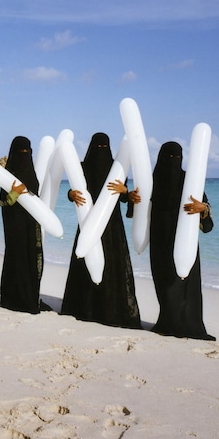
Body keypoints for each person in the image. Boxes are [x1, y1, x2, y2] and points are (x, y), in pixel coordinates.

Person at [60, 133, 142, 328]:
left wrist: (125, 192)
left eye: (104, 147)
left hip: (112, 225)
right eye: (98, 147)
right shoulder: (81, 167)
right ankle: (86, 309)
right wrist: (70, 194)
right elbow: (74, 190)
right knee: (87, 262)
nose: (101, 151)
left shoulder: (117, 168)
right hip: (87, 222)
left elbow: (124, 197)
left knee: (112, 266)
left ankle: (109, 309)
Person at [145, 141, 215, 340]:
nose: (173, 162)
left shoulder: (190, 181)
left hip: (184, 241)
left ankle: (189, 325)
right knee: (164, 282)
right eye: (170, 158)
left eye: (177, 158)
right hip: (159, 240)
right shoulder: (152, 181)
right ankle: (166, 322)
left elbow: (206, 217)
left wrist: (203, 209)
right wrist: (132, 198)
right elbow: (139, 211)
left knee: (185, 283)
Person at [0, 136, 47, 314]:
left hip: (31, 224)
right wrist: (14, 193)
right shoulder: (8, 173)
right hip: (15, 225)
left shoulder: (31, 173)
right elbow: (3, 202)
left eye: (27, 151)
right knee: (17, 258)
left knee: (32, 258)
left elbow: (36, 197)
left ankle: (32, 297)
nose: (24, 154)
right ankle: (15, 299)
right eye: (21, 151)